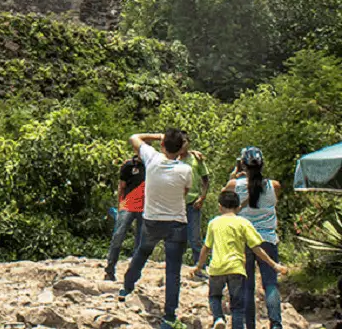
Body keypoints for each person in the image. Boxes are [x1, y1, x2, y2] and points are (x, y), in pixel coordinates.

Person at [119, 128, 193, 329]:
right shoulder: (186, 170)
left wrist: (157, 136)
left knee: (142, 252)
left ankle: (126, 288)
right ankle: (169, 317)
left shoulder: (151, 158)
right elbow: (184, 193)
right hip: (177, 221)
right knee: (173, 270)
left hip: (152, 220)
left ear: (162, 145)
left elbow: (133, 137)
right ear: (181, 149)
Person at [191, 190, 288, 329]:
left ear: (219, 206)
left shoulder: (214, 223)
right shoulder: (243, 223)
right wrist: (274, 264)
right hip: (236, 269)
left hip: (217, 268)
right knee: (237, 306)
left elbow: (206, 248)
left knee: (214, 297)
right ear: (238, 207)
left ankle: (218, 317)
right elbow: (256, 248)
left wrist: (198, 266)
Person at [225, 147, 284, 329]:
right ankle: (276, 324)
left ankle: (250, 325)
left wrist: (233, 176)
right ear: (262, 165)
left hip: (244, 241)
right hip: (267, 239)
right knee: (270, 283)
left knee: (246, 286)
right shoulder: (274, 186)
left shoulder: (235, 186)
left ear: (243, 164)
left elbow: (226, 201)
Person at [105, 153, 146, 280]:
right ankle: (110, 269)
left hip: (145, 207)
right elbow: (121, 186)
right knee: (118, 236)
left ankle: (134, 273)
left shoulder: (151, 165)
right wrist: (120, 205)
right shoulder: (128, 165)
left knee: (140, 242)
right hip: (128, 205)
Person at [182, 136, 211, 265]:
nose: (182, 144)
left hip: (192, 202)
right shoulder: (172, 158)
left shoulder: (196, 159)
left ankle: (200, 266)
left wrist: (202, 197)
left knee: (195, 238)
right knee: (175, 237)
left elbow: (205, 180)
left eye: (185, 141)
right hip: (175, 204)